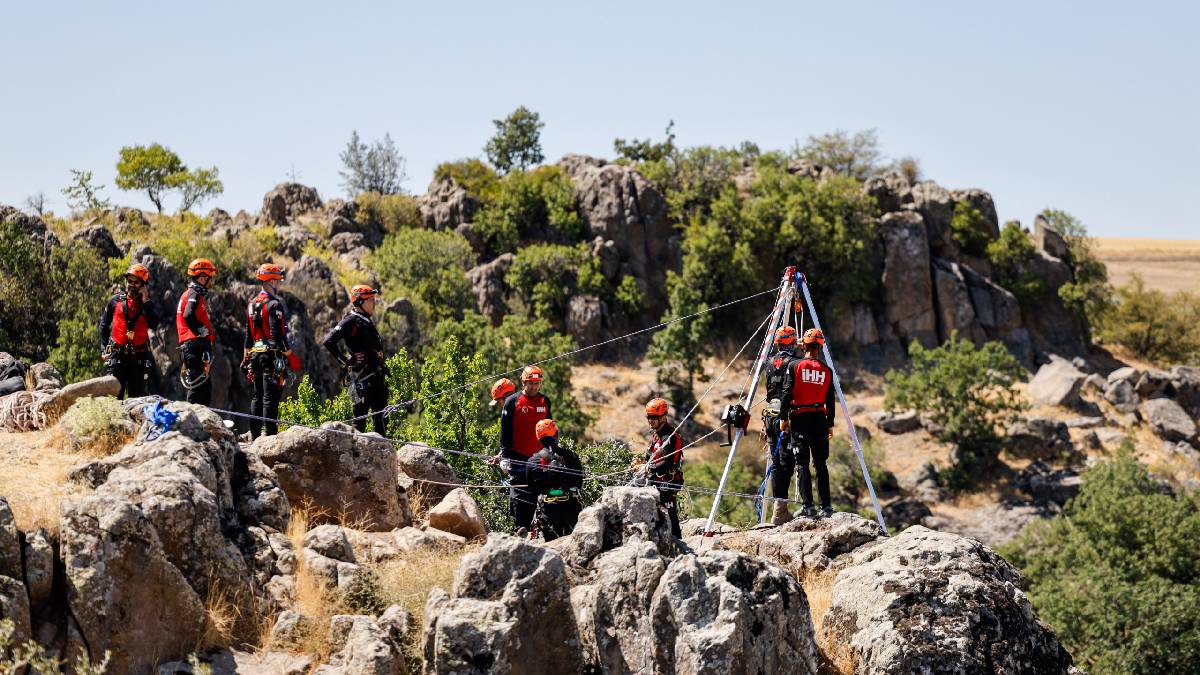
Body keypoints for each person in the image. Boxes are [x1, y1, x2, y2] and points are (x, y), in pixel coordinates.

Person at [781, 328, 836, 517]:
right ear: (820, 347)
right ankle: (826, 506)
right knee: (821, 464)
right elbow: (830, 400)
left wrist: (782, 418)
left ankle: (808, 506)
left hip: (800, 418)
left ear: (803, 344)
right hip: (820, 419)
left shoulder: (795, 366)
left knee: (802, 464)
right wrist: (830, 423)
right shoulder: (827, 371)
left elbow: (787, 393)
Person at [242, 263, 301, 439]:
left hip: (256, 355)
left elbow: (248, 334)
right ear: (271, 281)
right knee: (270, 398)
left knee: (257, 397)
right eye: (278, 281)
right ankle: (270, 438)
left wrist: (245, 357)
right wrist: (291, 357)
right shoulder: (274, 304)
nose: (280, 284)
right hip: (271, 356)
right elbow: (278, 336)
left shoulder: (252, 304)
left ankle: (254, 436)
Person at [322, 285, 388, 434]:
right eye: (370, 300)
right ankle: (357, 455)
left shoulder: (365, 320)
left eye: (374, 299)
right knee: (359, 423)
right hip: (363, 381)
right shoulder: (350, 321)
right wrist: (346, 361)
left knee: (382, 422)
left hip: (377, 378)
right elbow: (329, 341)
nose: (374, 303)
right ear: (359, 302)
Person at [498, 365, 552, 534]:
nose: (534, 387)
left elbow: (549, 429)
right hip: (517, 457)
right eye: (531, 383)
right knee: (520, 494)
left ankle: (545, 529)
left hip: (539, 458)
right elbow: (505, 432)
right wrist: (505, 456)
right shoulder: (512, 402)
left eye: (537, 383)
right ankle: (521, 529)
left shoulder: (545, 401)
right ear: (523, 382)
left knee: (543, 494)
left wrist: (552, 451)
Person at [99, 263, 160, 399]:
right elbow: (103, 325)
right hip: (117, 355)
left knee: (137, 398)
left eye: (136, 282)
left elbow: (154, 324)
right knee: (114, 397)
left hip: (139, 358)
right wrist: (104, 348)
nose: (131, 285)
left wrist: (145, 303)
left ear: (143, 285)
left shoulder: (148, 306)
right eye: (129, 281)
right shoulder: (115, 301)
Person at [763, 325, 802, 525]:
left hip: (770, 416)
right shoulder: (795, 363)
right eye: (795, 342)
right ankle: (780, 511)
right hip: (785, 419)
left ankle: (779, 508)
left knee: (777, 462)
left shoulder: (769, 362)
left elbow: (770, 391)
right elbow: (790, 391)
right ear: (791, 343)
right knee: (787, 462)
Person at [527, 419, 583, 541]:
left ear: (538, 438)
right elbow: (579, 483)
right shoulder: (570, 456)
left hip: (547, 512)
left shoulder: (533, 461)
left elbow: (532, 489)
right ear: (556, 435)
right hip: (572, 510)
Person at [636, 398, 685, 538]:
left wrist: (648, 468)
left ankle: (678, 544)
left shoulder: (669, 437)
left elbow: (667, 463)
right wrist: (641, 462)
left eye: (653, 417)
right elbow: (650, 457)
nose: (650, 421)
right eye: (648, 417)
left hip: (667, 484)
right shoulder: (656, 435)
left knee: (670, 517)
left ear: (663, 417)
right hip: (654, 482)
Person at [176, 258, 218, 405]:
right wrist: (200, 331)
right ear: (202, 278)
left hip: (194, 347)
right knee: (197, 388)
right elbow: (188, 315)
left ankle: (202, 423)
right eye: (210, 279)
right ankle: (191, 422)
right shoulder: (194, 294)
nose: (211, 283)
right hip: (195, 347)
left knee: (204, 389)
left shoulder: (191, 293)